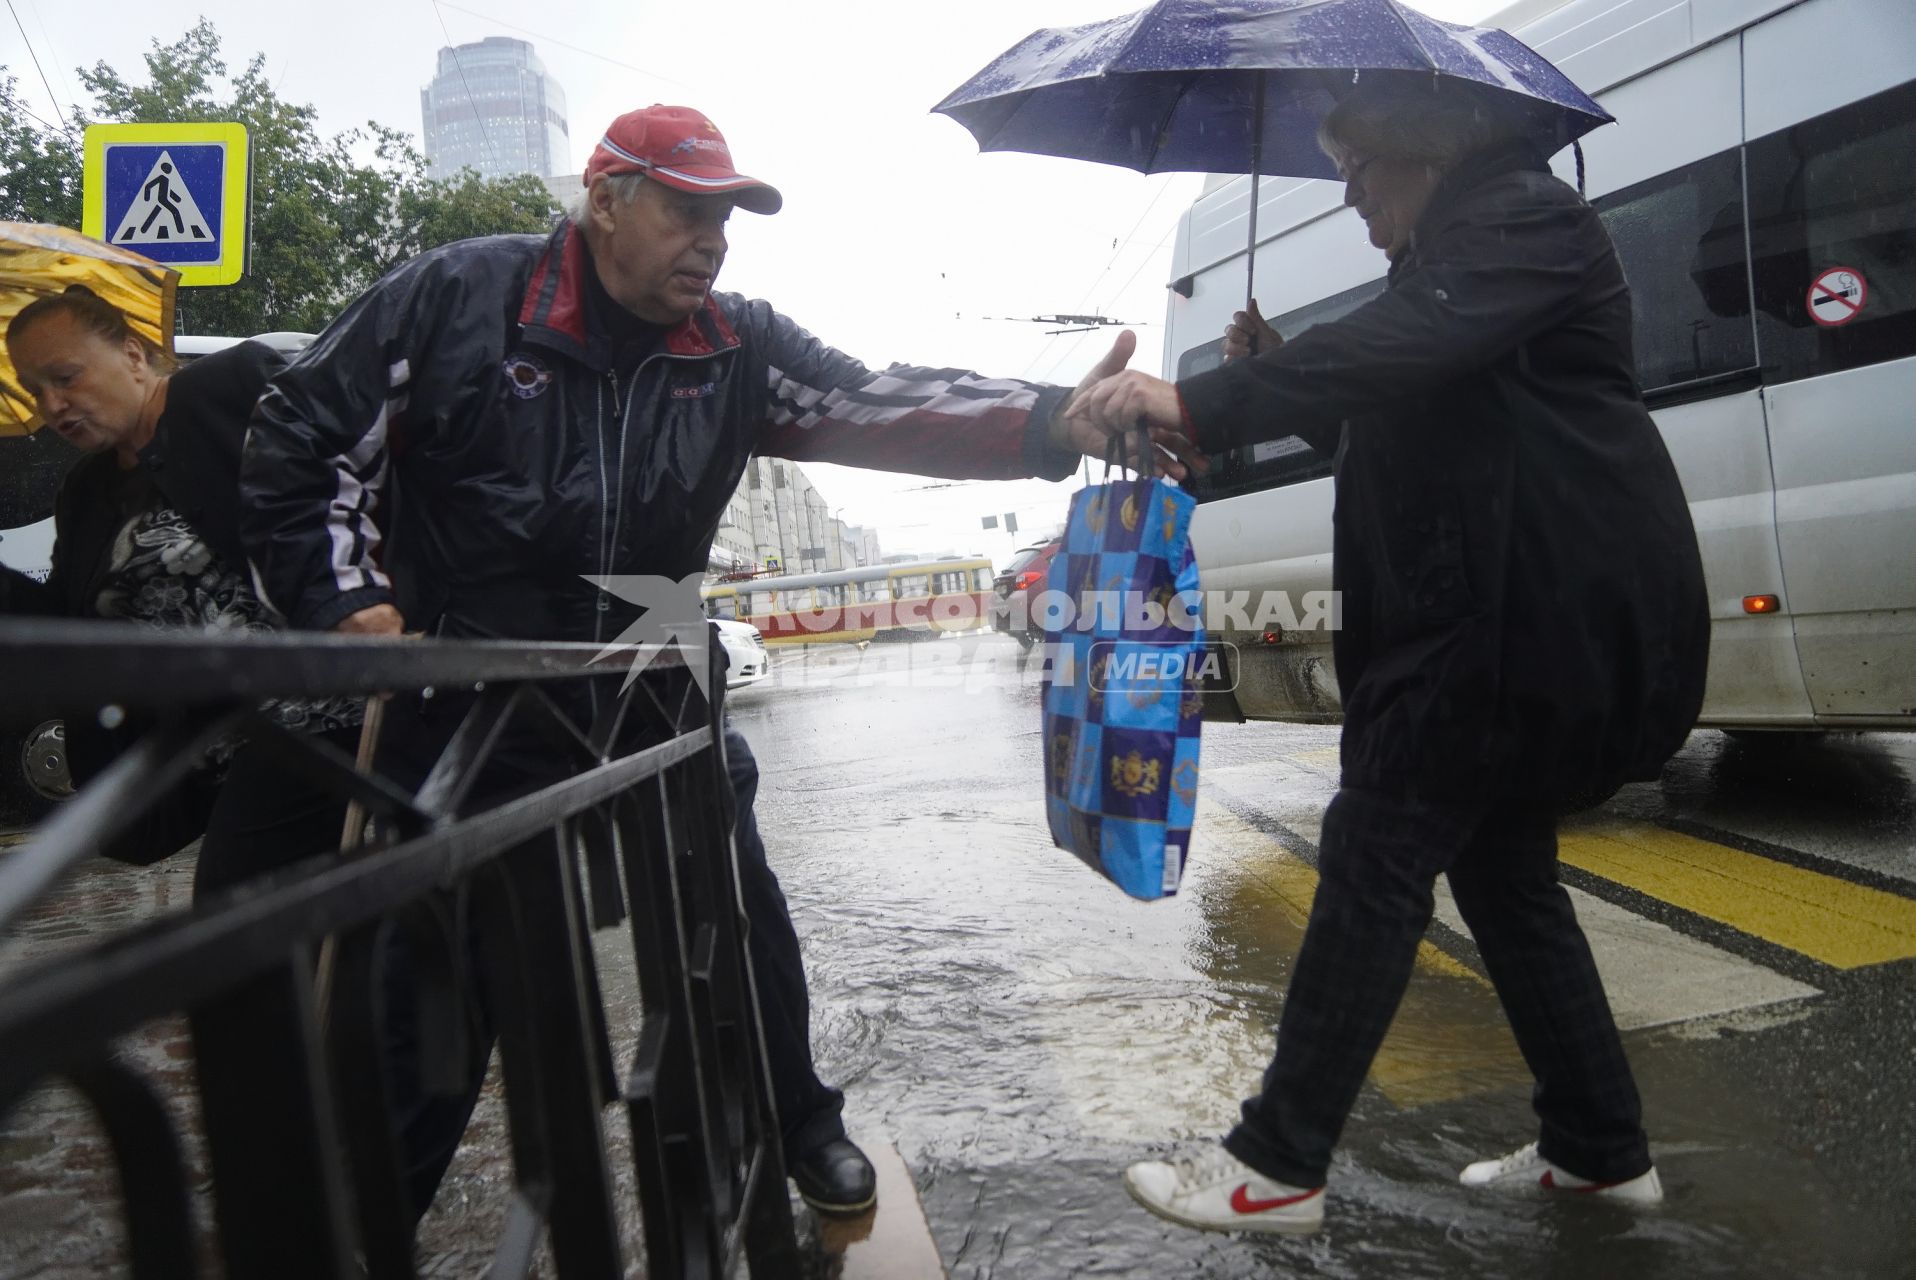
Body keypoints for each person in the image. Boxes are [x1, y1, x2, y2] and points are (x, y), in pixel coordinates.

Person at [237, 104, 1161, 1225]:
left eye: (725, 215)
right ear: (604, 196)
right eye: (686, 208)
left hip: (649, 673)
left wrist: (1053, 418)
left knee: (732, 907)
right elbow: (299, 435)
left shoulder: (735, 343)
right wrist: (347, 606)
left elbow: (878, 402)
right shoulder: (458, 297)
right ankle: (360, 1221)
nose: (711, 238)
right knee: (435, 980)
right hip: (468, 691)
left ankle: (799, 1124)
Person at [1069, 79, 1711, 1235]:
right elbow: (1408, 405)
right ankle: (1600, 1149)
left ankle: (1275, 1163)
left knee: (1373, 845)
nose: (1348, 191)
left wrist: (1205, 394)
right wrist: (1282, 368)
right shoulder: (1456, 259)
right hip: (1489, 612)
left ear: (1424, 147)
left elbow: (1410, 351)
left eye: (1358, 163)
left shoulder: (1522, 218)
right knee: (1505, 878)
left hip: (1512, 618)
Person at [2, 287, 360, 893]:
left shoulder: (227, 388)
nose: (53, 405)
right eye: (35, 390)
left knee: (237, 930)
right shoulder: (86, 491)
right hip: (219, 753)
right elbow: (73, 623)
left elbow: (364, 461)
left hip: (326, 715)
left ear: (134, 355)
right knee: (300, 948)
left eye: (66, 376)